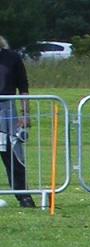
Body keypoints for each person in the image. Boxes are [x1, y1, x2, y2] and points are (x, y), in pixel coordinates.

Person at [0, 35, 33, 208]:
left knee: (13, 154)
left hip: (7, 111)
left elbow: (23, 87)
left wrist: (25, 114)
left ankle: (23, 196)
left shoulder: (12, 58)